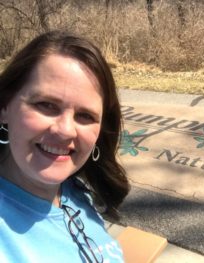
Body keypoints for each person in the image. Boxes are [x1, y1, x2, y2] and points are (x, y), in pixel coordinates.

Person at [0, 31, 130, 262]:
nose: (65, 130)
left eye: (85, 116)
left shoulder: (73, 190)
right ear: (4, 107)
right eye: (46, 105)